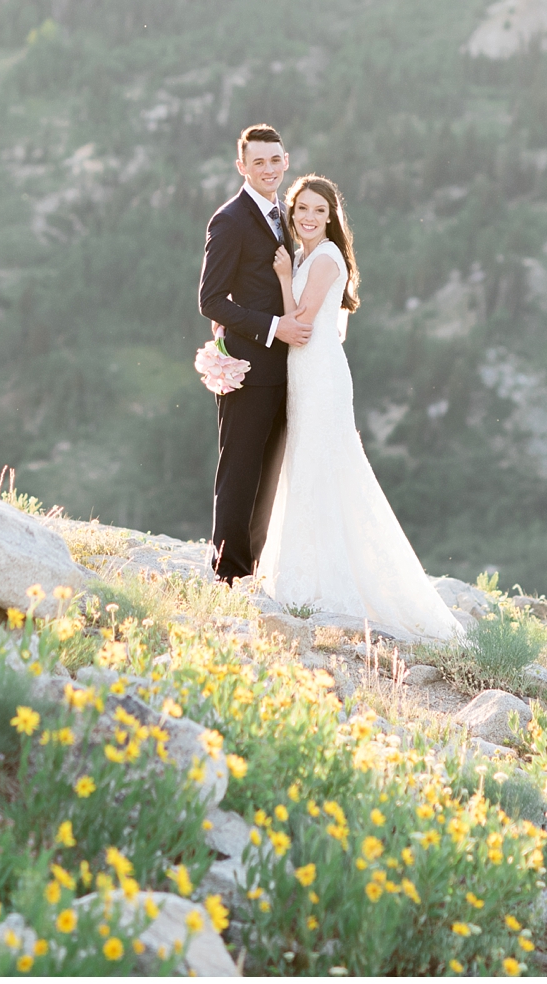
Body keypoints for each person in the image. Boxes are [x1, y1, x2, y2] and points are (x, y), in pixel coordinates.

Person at [252, 173, 461, 642]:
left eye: (318, 211)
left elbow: (300, 323)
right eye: (301, 209)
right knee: (307, 468)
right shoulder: (309, 253)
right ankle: (300, 576)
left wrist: (284, 277)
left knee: (318, 468)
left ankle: (324, 587)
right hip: (305, 375)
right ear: (291, 212)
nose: (308, 218)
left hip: (320, 374)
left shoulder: (324, 258)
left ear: (331, 217)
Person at [196, 124, 307, 584]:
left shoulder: (287, 212)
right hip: (247, 367)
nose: (268, 169)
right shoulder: (229, 219)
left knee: (269, 475)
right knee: (240, 471)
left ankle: (250, 569)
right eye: (257, 161)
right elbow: (211, 300)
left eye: (275, 159)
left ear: (286, 161)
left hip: (288, 370)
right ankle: (226, 575)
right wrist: (273, 326)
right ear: (241, 166)